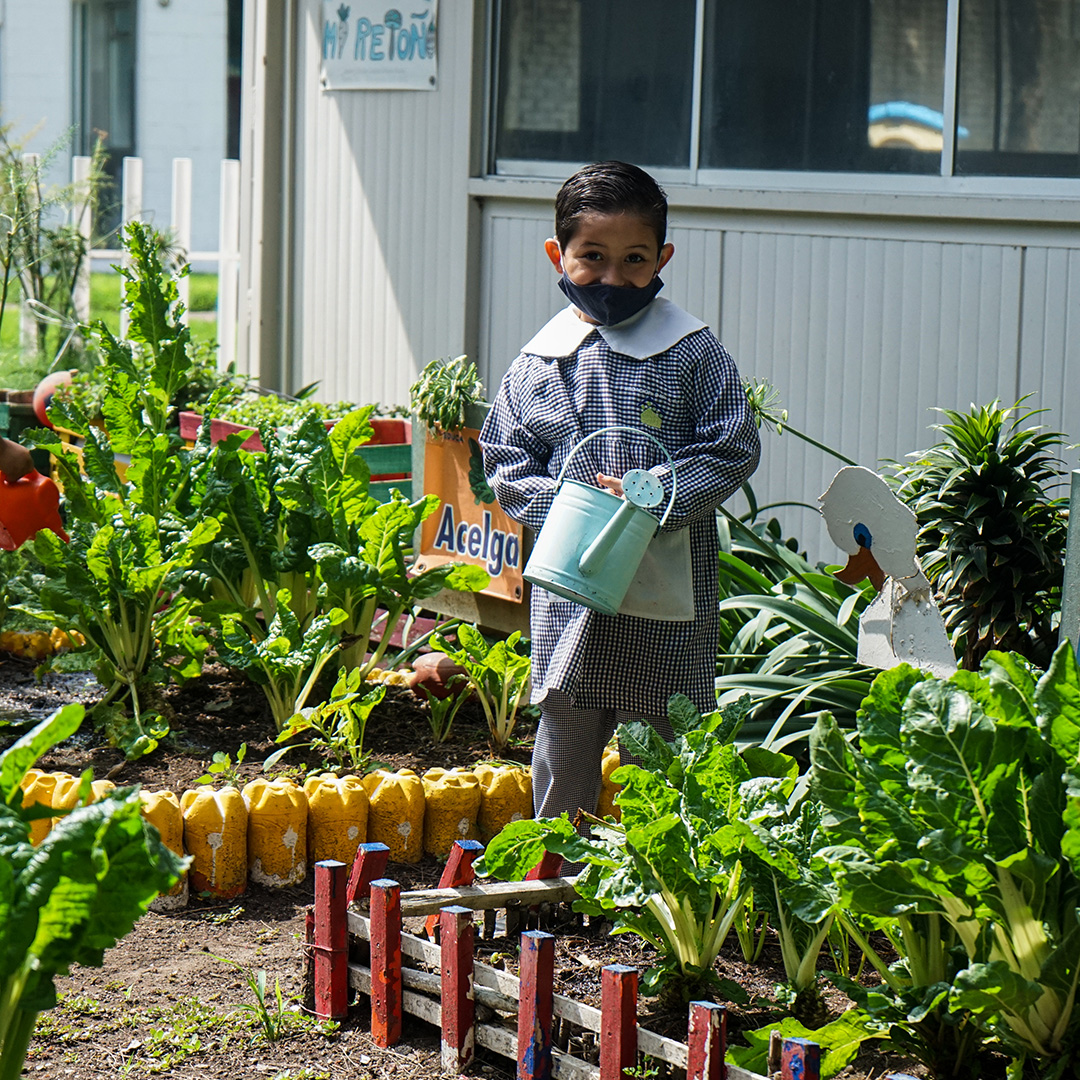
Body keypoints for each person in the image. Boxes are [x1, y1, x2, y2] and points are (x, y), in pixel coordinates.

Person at [479, 161, 761, 833]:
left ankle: (661, 889)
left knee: (664, 742)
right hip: (571, 591)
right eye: (592, 258)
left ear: (663, 256)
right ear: (559, 255)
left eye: (635, 259)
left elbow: (732, 447)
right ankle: (555, 884)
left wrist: (655, 492)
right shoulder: (539, 363)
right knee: (565, 738)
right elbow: (506, 459)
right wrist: (571, 504)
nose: (613, 277)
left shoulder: (693, 354)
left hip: (666, 593)